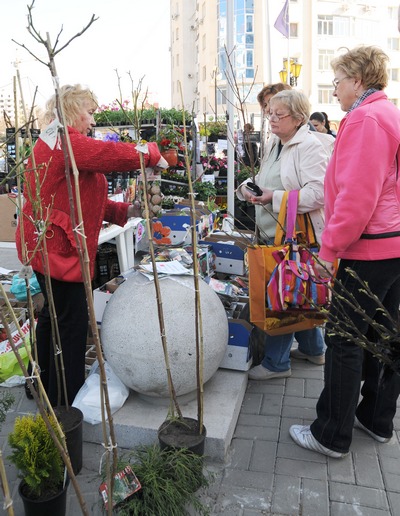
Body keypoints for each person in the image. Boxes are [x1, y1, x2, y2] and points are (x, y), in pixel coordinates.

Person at [16, 84, 166, 406]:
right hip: (57, 249)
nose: (93, 119)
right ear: (72, 109)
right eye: (90, 111)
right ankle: (67, 398)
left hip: (51, 245)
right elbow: (108, 155)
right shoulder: (65, 141)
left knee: (52, 318)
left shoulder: (59, 142)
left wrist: (126, 211)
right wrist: (150, 153)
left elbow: (82, 196)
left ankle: (40, 383)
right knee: (71, 323)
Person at [289, 45, 400, 458]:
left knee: (344, 339)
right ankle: (376, 418)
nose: (334, 91)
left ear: (358, 80)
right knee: (383, 336)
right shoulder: (386, 113)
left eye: (337, 82)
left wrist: (330, 249)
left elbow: (358, 193)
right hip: (391, 244)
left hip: (369, 246)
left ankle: (331, 434)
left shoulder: (367, 118)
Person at [237, 89, 330, 380]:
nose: (272, 118)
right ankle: (315, 351)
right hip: (273, 232)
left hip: (297, 237)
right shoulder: (276, 141)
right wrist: (248, 187)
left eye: (279, 114)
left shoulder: (310, 147)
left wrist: (272, 197)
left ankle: (277, 364)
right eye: (270, 113)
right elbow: (268, 178)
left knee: (283, 295)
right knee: (299, 293)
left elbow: (318, 193)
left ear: (299, 118)